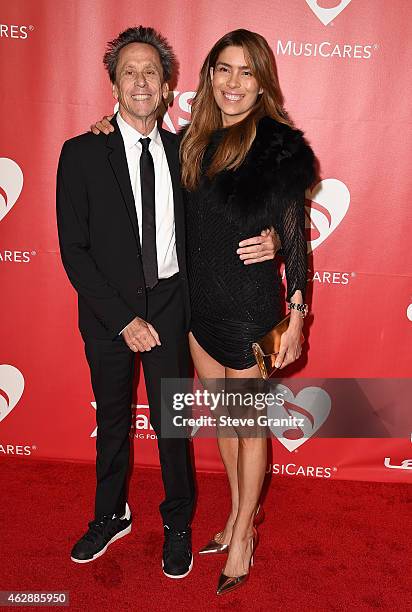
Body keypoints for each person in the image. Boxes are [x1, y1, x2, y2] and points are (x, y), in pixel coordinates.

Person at [56, 26, 278, 580]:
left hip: (176, 307)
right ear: (114, 83)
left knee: (172, 425)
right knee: (111, 420)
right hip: (109, 315)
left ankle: (178, 523)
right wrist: (123, 319)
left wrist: (275, 238)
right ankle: (110, 515)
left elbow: (237, 211)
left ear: (166, 86)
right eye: (129, 71)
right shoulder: (81, 152)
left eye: (150, 72)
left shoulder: (190, 150)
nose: (140, 80)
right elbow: (74, 251)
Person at [179, 29, 316, 595]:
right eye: (223, 70)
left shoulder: (278, 146)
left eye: (246, 73)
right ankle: (240, 513)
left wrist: (299, 311)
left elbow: (296, 238)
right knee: (226, 424)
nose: (233, 84)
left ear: (263, 83)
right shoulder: (191, 140)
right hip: (200, 307)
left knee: (249, 426)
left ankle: (242, 535)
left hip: (249, 307)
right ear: (209, 76)